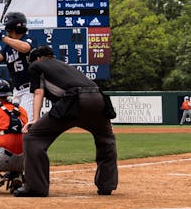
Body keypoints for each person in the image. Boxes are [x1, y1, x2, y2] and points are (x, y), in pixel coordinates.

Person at [14, 45, 117, 197]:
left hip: (75, 100)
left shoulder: (36, 66)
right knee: (106, 139)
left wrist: (35, 120)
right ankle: (106, 185)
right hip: (99, 99)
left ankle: (36, 187)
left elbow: (38, 92)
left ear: (37, 58)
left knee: (33, 137)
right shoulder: (65, 66)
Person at [0, 11, 35, 116]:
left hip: (29, 89)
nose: (6, 31)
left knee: (26, 122)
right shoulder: (9, 46)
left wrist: (2, 37)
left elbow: (25, 48)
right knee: (14, 122)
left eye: (8, 28)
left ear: (12, 28)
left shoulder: (28, 39)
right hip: (16, 90)